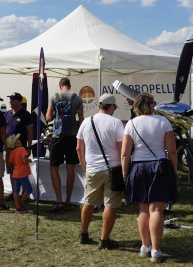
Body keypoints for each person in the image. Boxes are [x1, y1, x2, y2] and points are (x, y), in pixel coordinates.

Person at [121, 92, 178, 263]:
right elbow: (173, 151)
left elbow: (125, 153)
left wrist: (125, 174)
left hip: (138, 167)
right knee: (157, 210)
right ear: (150, 105)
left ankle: (145, 246)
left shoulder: (131, 123)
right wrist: (174, 172)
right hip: (159, 167)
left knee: (144, 209)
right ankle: (155, 250)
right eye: (154, 102)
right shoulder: (163, 122)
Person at [76, 94, 124, 250]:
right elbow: (122, 149)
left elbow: (79, 148)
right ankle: (104, 240)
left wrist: (85, 166)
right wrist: (125, 169)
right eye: (114, 107)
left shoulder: (86, 122)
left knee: (89, 202)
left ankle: (83, 234)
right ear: (111, 106)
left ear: (99, 105)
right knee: (111, 205)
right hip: (113, 169)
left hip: (92, 168)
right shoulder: (116, 123)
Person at [46, 77, 84, 212]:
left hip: (57, 136)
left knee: (53, 167)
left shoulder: (54, 96)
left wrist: (56, 113)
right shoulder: (77, 98)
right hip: (72, 136)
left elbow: (48, 118)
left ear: (60, 85)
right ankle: (68, 201)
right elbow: (82, 120)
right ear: (69, 85)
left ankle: (59, 200)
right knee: (70, 169)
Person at [4, 92, 33, 199]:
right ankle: (14, 193)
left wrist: (29, 147)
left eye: (13, 100)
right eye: (10, 99)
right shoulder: (7, 114)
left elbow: (30, 132)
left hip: (21, 149)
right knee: (12, 171)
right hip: (8, 149)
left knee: (22, 171)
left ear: (19, 102)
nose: (10, 101)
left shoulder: (26, 114)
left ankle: (24, 194)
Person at [8, 138, 33, 213]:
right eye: (18, 140)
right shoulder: (22, 149)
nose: (19, 140)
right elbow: (24, 160)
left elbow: (10, 162)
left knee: (16, 191)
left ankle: (17, 207)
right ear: (16, 143)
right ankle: (21, 204)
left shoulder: (12, 152)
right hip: (22, 173)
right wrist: (29, 160)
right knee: (29, 189)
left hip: (16, 173)